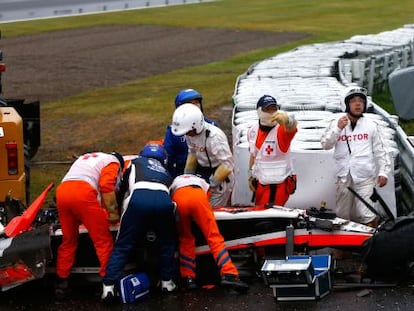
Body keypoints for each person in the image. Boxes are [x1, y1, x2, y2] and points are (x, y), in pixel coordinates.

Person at [102, 143, 177, 301]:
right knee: (167, 243)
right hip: (164, 201)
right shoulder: (167, 171)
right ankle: (166, 281)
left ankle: (108, 287)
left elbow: (122, 188)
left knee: (123, 245)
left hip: (138, 198)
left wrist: (117, 210)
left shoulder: (135, 163)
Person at [54, 151, 124, 299]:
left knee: (68, 240)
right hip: (83, 193)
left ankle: (61, 282)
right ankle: (108, 283)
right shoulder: (113, 162)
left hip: (63, 192)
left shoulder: (88, 158)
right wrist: (113, 214)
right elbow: (106, 186)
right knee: (103, 240)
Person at [320, 86, 392, 227]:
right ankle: (342, 248)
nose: (358, 104)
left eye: (361, 100)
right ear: (346, 104)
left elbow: (381, 151)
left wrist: (384, 172)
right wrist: (338, 128)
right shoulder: (336, 124)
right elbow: (325, 144)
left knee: (368, 214)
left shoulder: (371, 125)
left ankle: (370, 246)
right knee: (342, 216)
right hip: (343, 177)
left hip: (365, 177)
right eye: (353, 101)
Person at [170, 174, 249, 292]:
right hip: (197, 196)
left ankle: (188, 278)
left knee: (185, 239)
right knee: (213, 236)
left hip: (178, 197)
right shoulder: (201, 181)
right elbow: (208, 196)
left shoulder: (175, 180)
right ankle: (229, 273)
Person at [171, 103, 233, 207]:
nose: (186, 134)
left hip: (220, 179)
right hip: (205, 174)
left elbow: (228, 164)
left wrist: (212, 184)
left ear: (196, 125)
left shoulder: (214, 138)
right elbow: (193, 152)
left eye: (188, 131)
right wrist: (187, 176)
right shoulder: (190, 134)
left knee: (212, 210)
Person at [247, 95, 298, 207]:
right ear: (259, 111)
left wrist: (288, 121)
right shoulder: (252, 131)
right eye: (267, 109)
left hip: (278, 185)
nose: (271, 112)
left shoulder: (281, 129)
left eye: (274, 109)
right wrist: (250, 175)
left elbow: (292, 128)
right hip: (260, 183)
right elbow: (253, 154)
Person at [164, 89, 218, 178]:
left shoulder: (212, 127)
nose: (195, 106)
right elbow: (168, 158)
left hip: (207, 175)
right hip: (181, 174)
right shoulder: (173, 131)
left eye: (196, 103)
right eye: (190, 104)